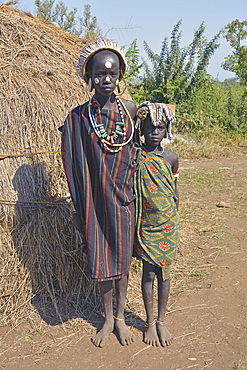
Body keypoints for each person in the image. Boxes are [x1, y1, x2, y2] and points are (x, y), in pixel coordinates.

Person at [61, 39, 137, 347]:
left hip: (125, 202)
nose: (106, 79)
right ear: (89, 76)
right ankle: (107, 318)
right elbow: (73, 166)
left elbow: (144, 152)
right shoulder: (78, 118)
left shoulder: (130, 111)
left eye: (113, 73)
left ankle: (121, 318)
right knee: (103, 260)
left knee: (122, 262)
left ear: (120, 77)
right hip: (94, 204)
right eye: (100, 73)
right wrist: (79, 211)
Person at [133, 101, 180, 347]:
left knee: (165, 274)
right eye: (149, 126)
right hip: (145, 226)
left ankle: (162, 321)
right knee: (148, 274)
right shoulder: (135, 155)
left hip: (168, 225)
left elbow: (175, 193)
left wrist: (175, 220)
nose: (154, 131)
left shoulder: (171, 158)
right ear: (141, 128)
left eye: (160, 127)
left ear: (167, 130)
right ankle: (149, 323)